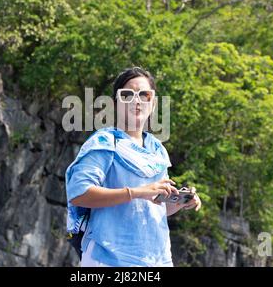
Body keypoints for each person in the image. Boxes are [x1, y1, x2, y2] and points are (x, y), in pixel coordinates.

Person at [65, 67, 202, 267]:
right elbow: (79, 193)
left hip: (156, 259)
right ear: (115, 103)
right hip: (109, 258)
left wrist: (180, 202)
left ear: (153, 103)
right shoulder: (105, 142)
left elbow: (153, 209)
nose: (136, 101)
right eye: (127, 95)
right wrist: (136, 192)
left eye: (144, 95)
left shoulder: (157, 150)